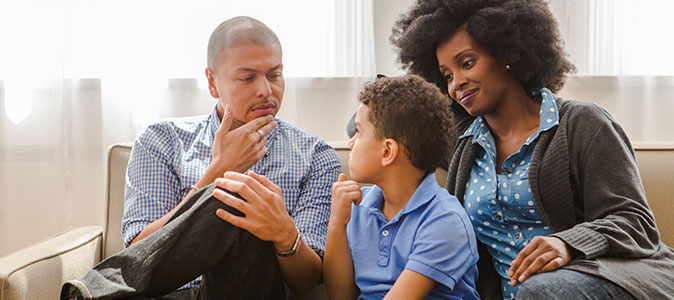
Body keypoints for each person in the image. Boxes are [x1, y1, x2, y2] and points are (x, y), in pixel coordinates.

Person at [389, 0, 674, 299]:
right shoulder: (464, 143)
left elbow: (636, 220)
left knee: (540, 290)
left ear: (507, 54)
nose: (457, 83)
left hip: (606, 281)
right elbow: (377, 119)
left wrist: (568, 244)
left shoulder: (582, 124)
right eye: (446, 75)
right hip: (523, 294)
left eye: (467, 62)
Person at [60, 16, 341, 299]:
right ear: (212, 82)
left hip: (249, 290)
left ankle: (93, 292)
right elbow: (141, 250)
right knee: (228, 192)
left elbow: (305, 283)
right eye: (247, 78)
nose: (266, 91)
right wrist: (217, 173)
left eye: (274, 75)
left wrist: (283, 232)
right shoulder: (161, 141)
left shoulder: (316, 157)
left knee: (241, 199)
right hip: (167, 294)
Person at [324, 74, 480, 300]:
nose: (350, 143)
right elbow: (340, 296)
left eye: (358, 132)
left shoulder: (444, 220)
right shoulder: (358, 206)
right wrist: (337, 224)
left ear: (387, 151)